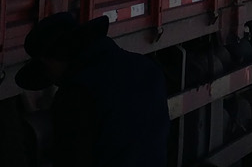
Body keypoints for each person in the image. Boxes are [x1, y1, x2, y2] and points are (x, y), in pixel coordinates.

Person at [16, 13, 170, 167]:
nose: (53, 81)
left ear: (50, 61)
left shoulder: (76, 94)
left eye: (46, 71)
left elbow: (73, 158)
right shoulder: (148, 69)